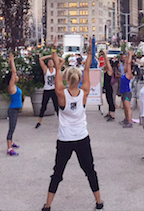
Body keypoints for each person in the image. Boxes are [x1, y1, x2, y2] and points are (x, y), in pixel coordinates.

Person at [42, 52, 103, 211]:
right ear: (78, 79)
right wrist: (90, 52)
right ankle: (99, 202)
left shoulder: (61, 94)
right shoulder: (84, 93)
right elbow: (87, 69)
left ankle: (48, 205)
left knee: (58, 173)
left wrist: (55, 53)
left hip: (65, 139)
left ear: (67, 79)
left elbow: (57, 74)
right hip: (82, 137)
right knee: (90, 170)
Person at [36, 52, 60, 129]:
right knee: (43, 106)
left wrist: (55, 57)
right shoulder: (46, 70)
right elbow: (40, 59)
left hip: (54, 90)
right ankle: (39, 122)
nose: (50, 63)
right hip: (47, 90)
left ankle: (61, 121)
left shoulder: (56, 69)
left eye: (51, 62)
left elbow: (62, 61)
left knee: (57, 106)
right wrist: (50, 56)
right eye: (49, 62)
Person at [6, 53, 22, 156]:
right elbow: (14, 71)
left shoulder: (15, 86)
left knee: (14, 127)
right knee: (11, 128)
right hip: (13, 110)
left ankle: (11, 143)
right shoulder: (11, 86)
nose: (16, 76)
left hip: (16, 109)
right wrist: (12, 61)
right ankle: (9, 148)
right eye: (15, 76)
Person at [119, 50, 134, 128]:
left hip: (127, 92)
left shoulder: (128, 75)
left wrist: (130, 55)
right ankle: (126, 119)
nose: (125, 67)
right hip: (123, 92)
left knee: (128, 107)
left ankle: (130, 121)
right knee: (125, 107)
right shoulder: (124, 75)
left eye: (126, 67)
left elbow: (128, 63)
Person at [101, 50, 116, 122]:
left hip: (109, 87)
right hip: (106, 87)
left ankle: (112, 114)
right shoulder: (106, 71)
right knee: (108, 99)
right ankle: (109, 112)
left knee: (110, 100)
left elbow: (107, 62)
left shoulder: (110, 71)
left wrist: (105, 55)